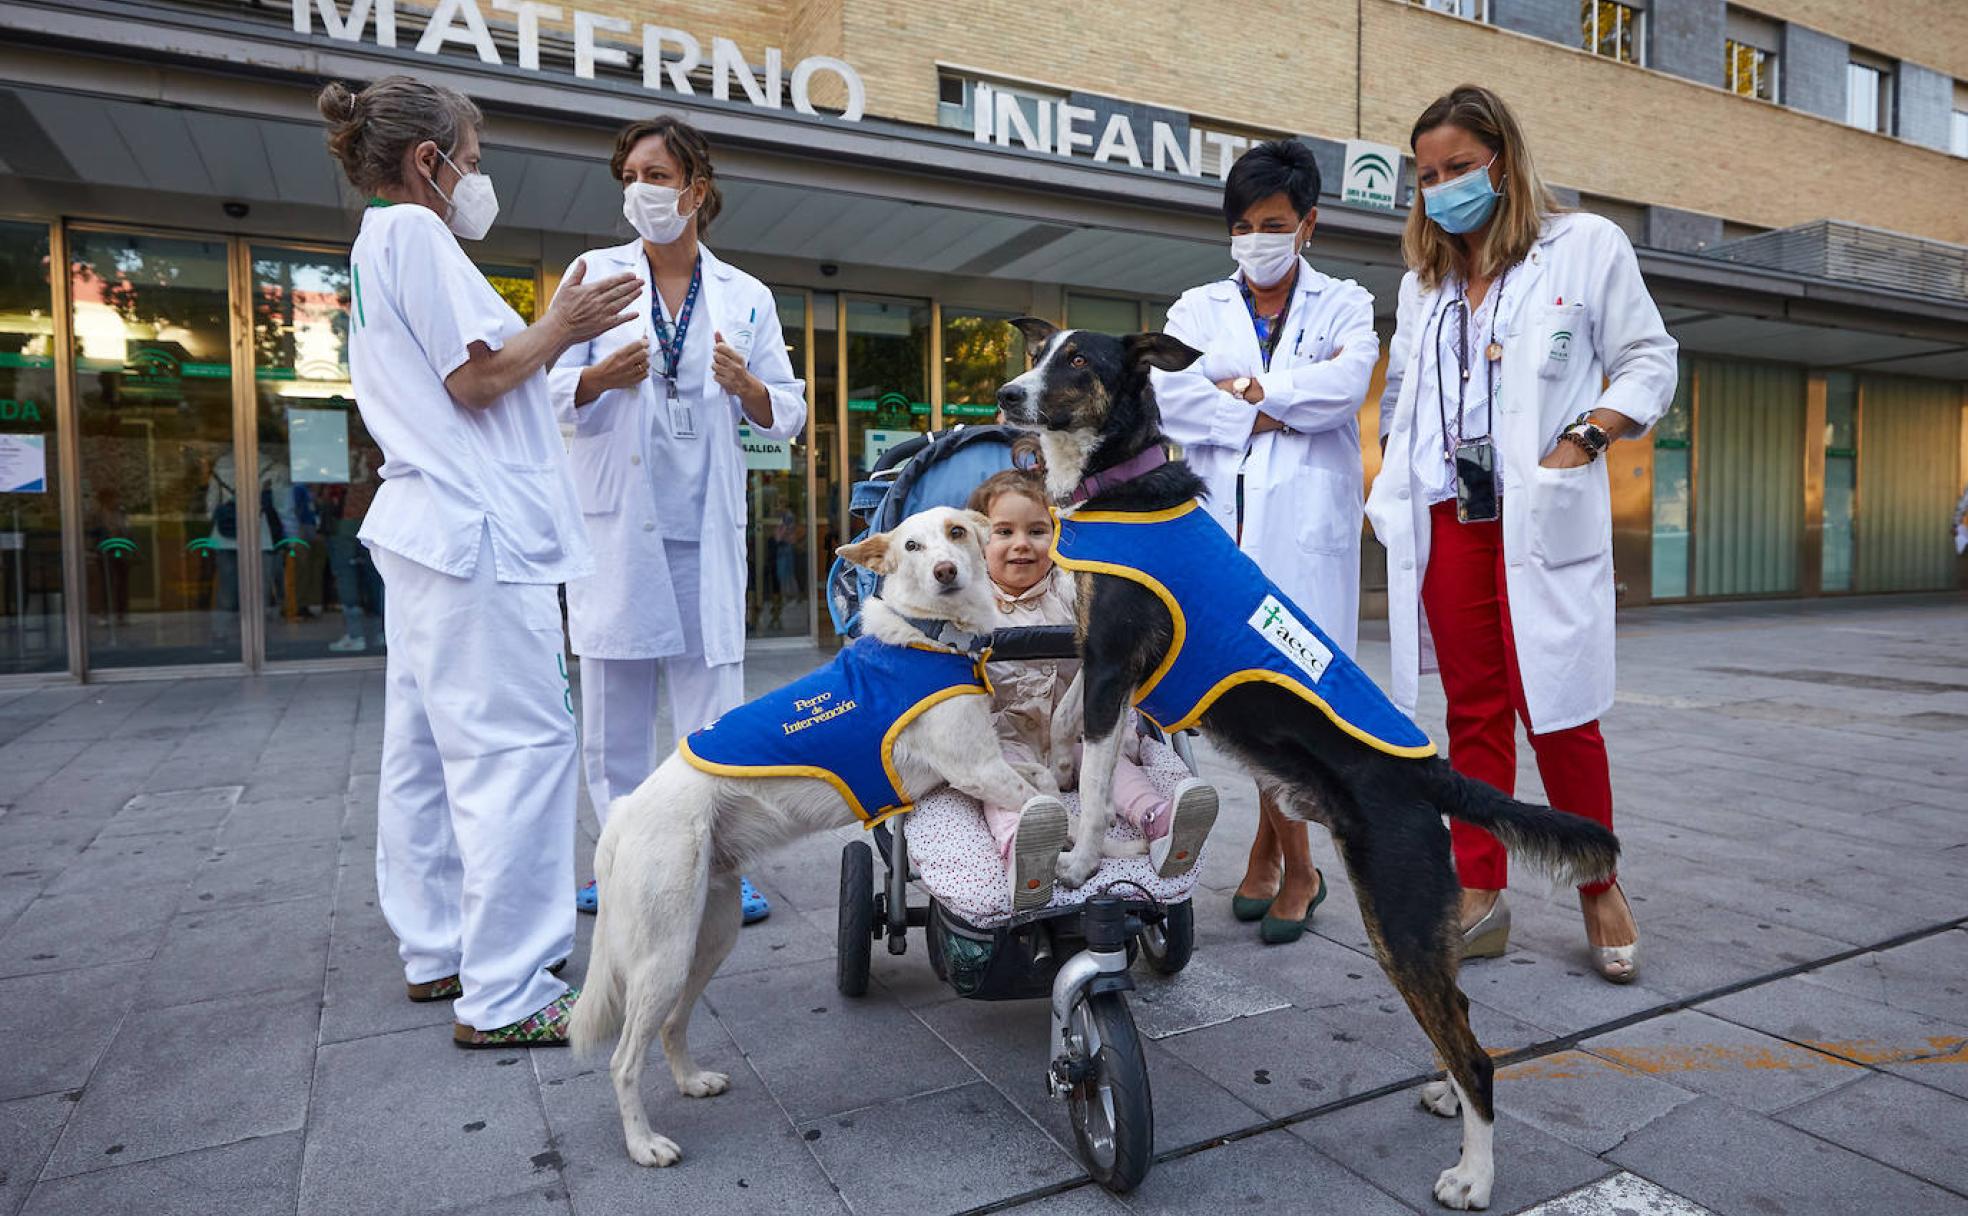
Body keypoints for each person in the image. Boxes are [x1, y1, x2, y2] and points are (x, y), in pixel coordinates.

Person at [319, 75, 643, 1045]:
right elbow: (479, 377)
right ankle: (505, 989)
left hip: (429, 531)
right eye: (474, 150)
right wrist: (566, 326)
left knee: (423, 751)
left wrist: (552, 339)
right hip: (472, 532)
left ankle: (439, 951)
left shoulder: (381, 244)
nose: (479, 171)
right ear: (431, 161)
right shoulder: (416, 235)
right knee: (519, 748)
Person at [1365, 85, 1677, 983]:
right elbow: (1403, 395)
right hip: (1447, 517)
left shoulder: (1585, 246)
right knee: (1473, 712)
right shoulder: (1422, 284)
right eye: (1426, 175)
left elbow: (1648, 356)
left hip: (1538, 509)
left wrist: (1586, 437)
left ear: (1503, 160)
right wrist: (1393, 464)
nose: (1443, 187)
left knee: (1561, 712)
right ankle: (1480, 882)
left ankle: (1597, 880)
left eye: (1459, 167)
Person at [548, 116, 807, 923]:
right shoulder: (591, 274)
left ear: (696, 189)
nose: (640, 190)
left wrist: (748, 388)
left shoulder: (748, 296)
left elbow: (789, 412)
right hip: (618, 526)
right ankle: (623, 865)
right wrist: (595, 381)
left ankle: (719, 866)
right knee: (615, 710)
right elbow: (542, 388)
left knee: (714, 711)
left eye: (656, 175)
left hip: (704, 528)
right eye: (630, 173)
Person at [1152, 140, 1380, 945]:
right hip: (1222, 534)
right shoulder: (1195, 311)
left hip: (1306, 536)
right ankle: (1286, 861)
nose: (1256, 239)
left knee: (1293, 707)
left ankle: (1293, 867)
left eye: (1273, 223)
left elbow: (1344, 389)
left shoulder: (1345, 303)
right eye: (1242, 225)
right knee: (1242, 703)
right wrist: (1270, 407)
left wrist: (1247, 390)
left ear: (1308, 223)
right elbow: (1169, 400)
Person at [968, 464, 1218, 908]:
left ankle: (1157, 818)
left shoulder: (1071, 587)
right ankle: (1024, 848)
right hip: (1011, 736)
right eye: (1002, 532)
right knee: (997, 775)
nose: (1022, 544)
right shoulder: (972, 605)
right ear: (976, 542)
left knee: (1111, 761)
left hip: (1085, 731)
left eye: (1038, 531)